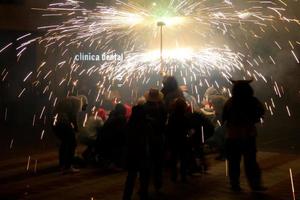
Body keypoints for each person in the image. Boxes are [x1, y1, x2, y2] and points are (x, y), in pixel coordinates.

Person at [222, 80, 266, 192]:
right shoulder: (253, 101)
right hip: (248, 135)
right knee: (251, 162)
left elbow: (223, 118)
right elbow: (261, 112)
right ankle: (255, 185)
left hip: (232, 136)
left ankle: (235, 185)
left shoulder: (229, 102)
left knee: (233, 162)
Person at [52, 95, 88, 173]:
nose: (83, 108)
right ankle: (68, 166)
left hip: (54, 122)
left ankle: (62, 165)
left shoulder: (69, 99)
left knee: (64, 143)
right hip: (62, 122)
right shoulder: (79, 101)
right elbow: (73, 117)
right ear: (84, 101)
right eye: (85, 106)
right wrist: (76, 128)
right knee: (73, 143)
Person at [123, 105, 151, 200]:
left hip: (132, 153)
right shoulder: (146, 124)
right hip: (142, 153)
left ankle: (126, 196)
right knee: (144, 176)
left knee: (131, 177)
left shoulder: (129, 124)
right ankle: (143, 194)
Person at [143, 88, 167, 192]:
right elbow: (164, 121)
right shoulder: (162, 107)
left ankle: (144, 187)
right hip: (159, 137)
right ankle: (158, 185)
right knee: (158, 163)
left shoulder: (143, 108)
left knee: (146, 163)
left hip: (146, 138)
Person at [166, 97, 190, 182]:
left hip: (173, 139)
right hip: (182, 139)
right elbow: (188, 127)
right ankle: (183, 176)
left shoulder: (172, 116)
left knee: (174, 158)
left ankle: (174, 175)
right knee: (183, 158)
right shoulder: (185, 116)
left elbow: (169, 128)